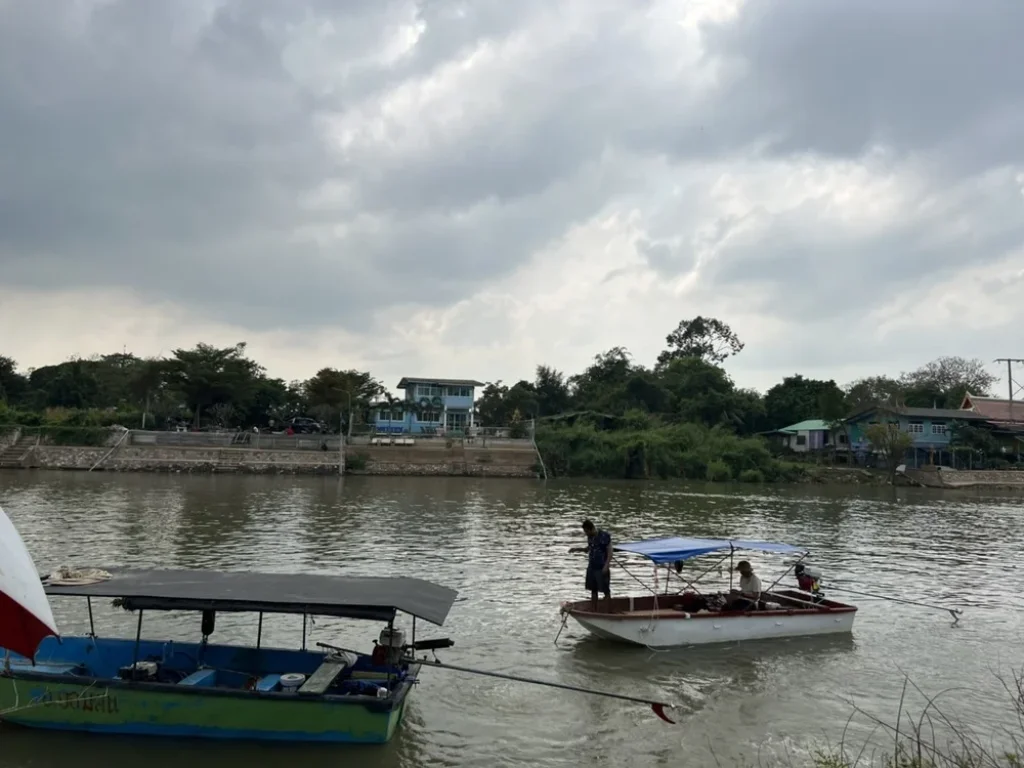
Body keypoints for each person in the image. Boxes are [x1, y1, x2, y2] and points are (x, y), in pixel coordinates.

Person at [569, 520, 612, 613]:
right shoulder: (590, 537)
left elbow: (610, 552)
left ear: (591, 528)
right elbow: (588, 549)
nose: (586, 534)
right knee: (593, 590)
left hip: (601, 567)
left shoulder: (604, 536)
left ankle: (607, 611)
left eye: (587, 531)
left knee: (606, 591)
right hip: (592, 567)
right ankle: (594, 610)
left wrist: (606, 565)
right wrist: (576, 549)